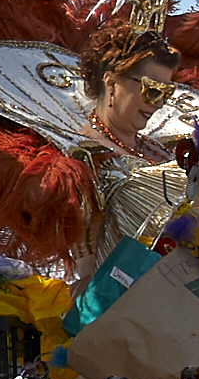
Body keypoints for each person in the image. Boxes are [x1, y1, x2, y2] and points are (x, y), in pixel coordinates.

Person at [73, 22, 184, 274]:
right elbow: (85, 262)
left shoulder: (160, 150)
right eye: (152, 90)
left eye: (167, 93)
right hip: (116, 301)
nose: (158, 104)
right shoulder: (84, 155)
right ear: (112, 83)